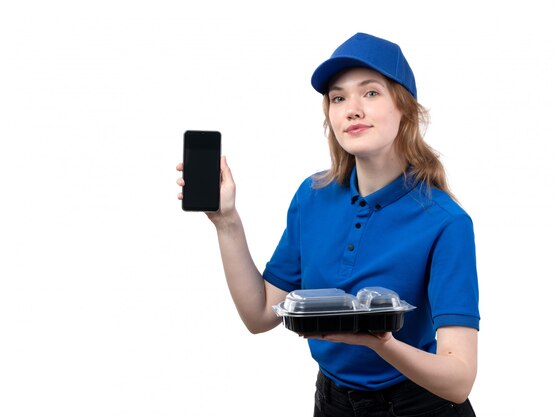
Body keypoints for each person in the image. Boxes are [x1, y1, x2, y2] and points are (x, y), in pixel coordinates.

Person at [177, 32, 480, 417]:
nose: (352, 109)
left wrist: (379, 343)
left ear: (405, 109)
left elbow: (459, 380)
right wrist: (226, 222)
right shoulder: (313, 195)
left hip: (417, 407)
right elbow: (260, 315)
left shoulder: (446, 222)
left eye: (370, 93)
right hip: (332, 403)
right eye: (338, 98)